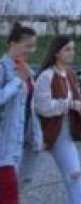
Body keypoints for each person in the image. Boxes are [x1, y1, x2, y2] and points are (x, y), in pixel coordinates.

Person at [34, 36, 81, 204]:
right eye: (68, 49)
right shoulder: (46, 76)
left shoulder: (70, 73)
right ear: (56, 53)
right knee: (20, 177)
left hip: (65, 132)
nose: (72, 53)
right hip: (50, 130)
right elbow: (43, 107)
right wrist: (70, 104)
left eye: (73, 48)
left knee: (75, 176)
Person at [1, 23, 41, 204]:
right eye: (27, 46)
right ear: (12, 43)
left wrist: (37, 135)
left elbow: (30, 107)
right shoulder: (3, 68)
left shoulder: (25, 69)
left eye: (33, 46)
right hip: (4, 146)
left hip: (22, 143)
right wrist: (18, 81)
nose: (31, 50)